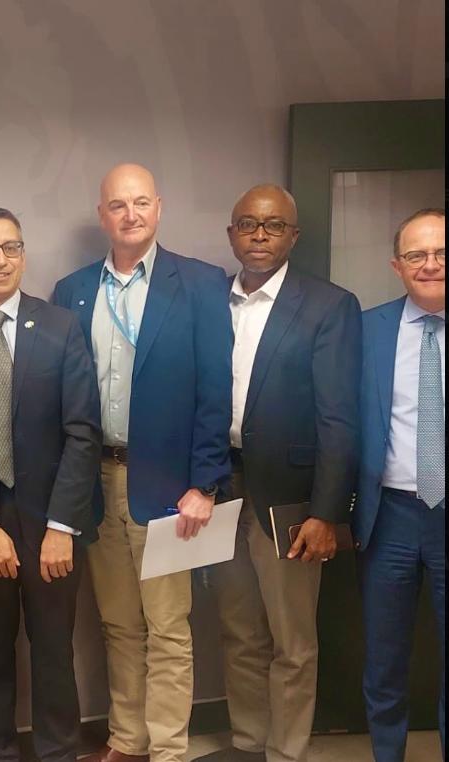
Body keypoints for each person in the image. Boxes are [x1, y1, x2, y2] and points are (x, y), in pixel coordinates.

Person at [51, 163, 232, 762]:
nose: (130, 215)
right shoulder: (73, 290)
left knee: (169, 628)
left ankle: (169, 751)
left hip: (171, 488)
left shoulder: (200, 284)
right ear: (102, 215)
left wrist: (205, 483)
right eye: (118, 205)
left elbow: (216, 391)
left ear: (159, 207)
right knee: (119, 624)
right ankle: (127, 741)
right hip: (96, 481)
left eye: (141, 203)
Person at [194, 185, 361, 762]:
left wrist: (326, 513)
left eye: (273, 225)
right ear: (231, 234)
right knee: (239, 629)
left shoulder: (328, 306)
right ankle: (247, 743)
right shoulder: (209, 299)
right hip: (223, 485)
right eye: (248, 224)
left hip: (290, 497)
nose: (259, 235)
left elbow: (339, 419)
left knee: (292, 640)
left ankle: (286, 752)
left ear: (294, 235)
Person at [0, 206, 101, 761]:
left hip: (51, 522)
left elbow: (82, 432)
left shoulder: (60, 326)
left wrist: (62, 527)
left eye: (10, 247)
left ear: (23, 255)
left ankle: (59, 752)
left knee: (54, 653)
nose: (0, 260)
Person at [353, 208, 445, 762]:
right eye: (416, 255)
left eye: (441, 253)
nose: (430, 264)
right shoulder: (368, 330)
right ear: (397, 265)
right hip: (389, 517)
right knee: (384, 658)